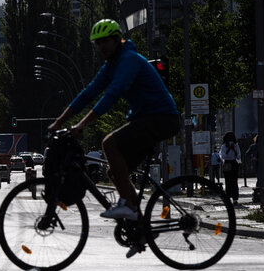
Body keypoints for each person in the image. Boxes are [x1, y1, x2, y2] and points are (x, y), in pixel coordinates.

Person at [47, 19, 179, 226]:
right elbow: (88, 93)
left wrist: (82, 124)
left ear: (117, 39)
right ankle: (139, 229)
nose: (101, 47)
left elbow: (112, 94)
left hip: (161, 117)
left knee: (109, 143)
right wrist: (58, 122)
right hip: (146, 118)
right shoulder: (112, 65)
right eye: (97, 43)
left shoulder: (129, 60)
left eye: (104, 41)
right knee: (114, 171)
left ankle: (128, 204)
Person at [219, 132, 241, 204]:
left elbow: (238, 155)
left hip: (234, 163)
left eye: (231, 138)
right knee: (228, 181)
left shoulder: (236, 145)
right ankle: (228, 197)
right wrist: (228, 149)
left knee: (234, 181)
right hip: (227, 163)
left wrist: (233, 149)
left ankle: (235, 198)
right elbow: (223, 156)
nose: (230, 139)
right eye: (229, 138)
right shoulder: (224, 146)